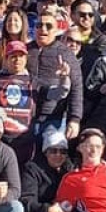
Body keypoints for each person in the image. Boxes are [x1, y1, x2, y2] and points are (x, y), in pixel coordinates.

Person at [0, 40, 70, 165]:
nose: (17, 60)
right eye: (13, 56)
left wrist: (64, 78)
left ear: (26, 59)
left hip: (25, 143)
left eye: (21, 56)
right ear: (5, 59)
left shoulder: (34, 82)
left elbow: (59, 93)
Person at [28, 8, 84, 141]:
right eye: (39, 25)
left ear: (56, 30)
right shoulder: (25, 50)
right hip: (26, 117)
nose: (43, 29)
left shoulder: (66, 53)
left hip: (53, 119)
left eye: (48, 26)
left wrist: (75, 119)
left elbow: (77, 87)